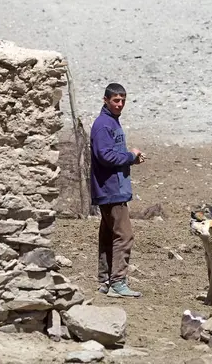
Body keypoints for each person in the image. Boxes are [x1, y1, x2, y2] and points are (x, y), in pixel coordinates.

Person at [89, 82, 145, 298]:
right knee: (124, 235)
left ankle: (105, 281)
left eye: (123, 100)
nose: (120, 104)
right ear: (106, 100)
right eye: (116, 100)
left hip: (111, 187)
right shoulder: (104, 125)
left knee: (108, 235)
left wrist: (131, 159)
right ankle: (118, 282)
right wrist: (130, 156)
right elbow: (105, 156)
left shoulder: (111, 122)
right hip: (110, 188)